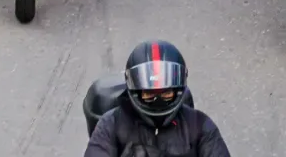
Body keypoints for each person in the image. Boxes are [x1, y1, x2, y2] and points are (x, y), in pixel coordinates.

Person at [84, 41, 231, 157]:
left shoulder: (201, 126)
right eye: (149, 94)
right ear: (136, 91)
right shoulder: (110, 125)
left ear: (178, 90)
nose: (158, 100)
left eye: (166, 93)